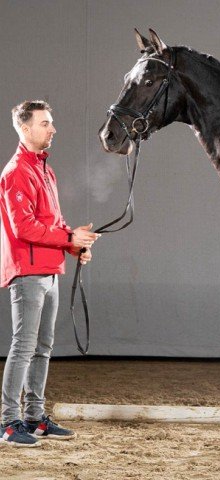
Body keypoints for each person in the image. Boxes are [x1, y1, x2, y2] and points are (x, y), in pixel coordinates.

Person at [0, 100, 100, 447]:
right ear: (24, 129)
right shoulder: (16, 172)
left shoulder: (44, 170)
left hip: (49, 269)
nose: (52, 129)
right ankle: (9, 422)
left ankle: (34, 417)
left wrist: (73, 245)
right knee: (24, 346)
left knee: (42, 347)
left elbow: (52, 223)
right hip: (28, 273)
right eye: (45, 123)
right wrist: (68, 238)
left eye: (51, 123)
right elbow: (23, 227)